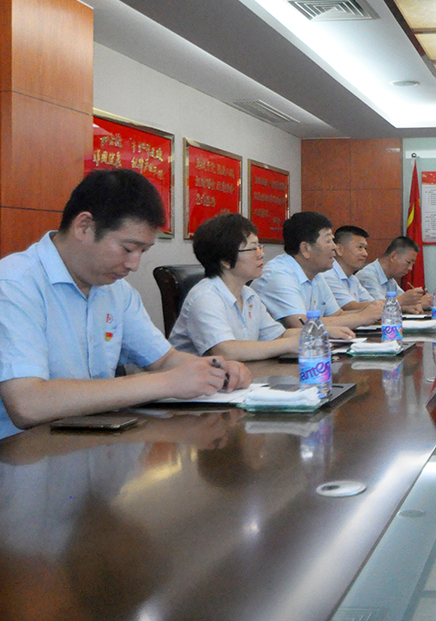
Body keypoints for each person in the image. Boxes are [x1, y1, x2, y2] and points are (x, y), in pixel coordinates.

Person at [0, 169, 251, 438]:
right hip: (23, 452)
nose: (134, 264)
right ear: (84, 226)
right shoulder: (14, 284)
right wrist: (165, 383)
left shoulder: (116, 291)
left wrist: (215, 369)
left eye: (143, 251)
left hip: (93, 440)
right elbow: (27, 404)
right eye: (128, 248)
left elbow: (164, 359)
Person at [169, 213, 353, 361]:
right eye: (252, 249)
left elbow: (278, 335)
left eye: (260, 247)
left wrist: (320, 331)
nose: (261, 255)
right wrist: (291, 344)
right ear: (225, 260)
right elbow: (225, 351)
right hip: (194, 391)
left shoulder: (248, 294)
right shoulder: (206, 296)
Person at [250, 211, 381, 329]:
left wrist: (373, 310)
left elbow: (337, 315)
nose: (335, 247)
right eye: (328, 241)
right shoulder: (279, 274)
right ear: (305, 249)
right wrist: (362, 317)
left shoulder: (316, 274)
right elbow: (301, 323)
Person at [357, 236, 430, 313]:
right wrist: (419, 302)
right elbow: (379, 308)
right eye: (408, 262)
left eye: (412, 264)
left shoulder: (390, 279)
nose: (410, 268)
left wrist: (415, 303)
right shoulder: (367, 276)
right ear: (393, 256)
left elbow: (404, 303)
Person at [319, 225, 383, 313]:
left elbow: (371, 302)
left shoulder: (352, 278)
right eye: (360, 247)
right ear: (339, 250)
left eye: (365, 248)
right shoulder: (328, 275)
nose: (365, 254)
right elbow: (351, 307)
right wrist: (388, 305)